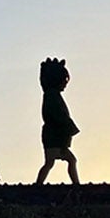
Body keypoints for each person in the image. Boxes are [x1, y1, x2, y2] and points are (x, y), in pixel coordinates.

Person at [34, 57, 80, 185]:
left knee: (52, 162)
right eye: (64, 80)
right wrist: (67, 130)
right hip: (54, 135)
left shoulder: (51, 95)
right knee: (56, 162)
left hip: (54, 134)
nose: (65, 83)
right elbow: (59, 117)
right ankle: (75, 184)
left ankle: (39, 184)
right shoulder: (52, 96)